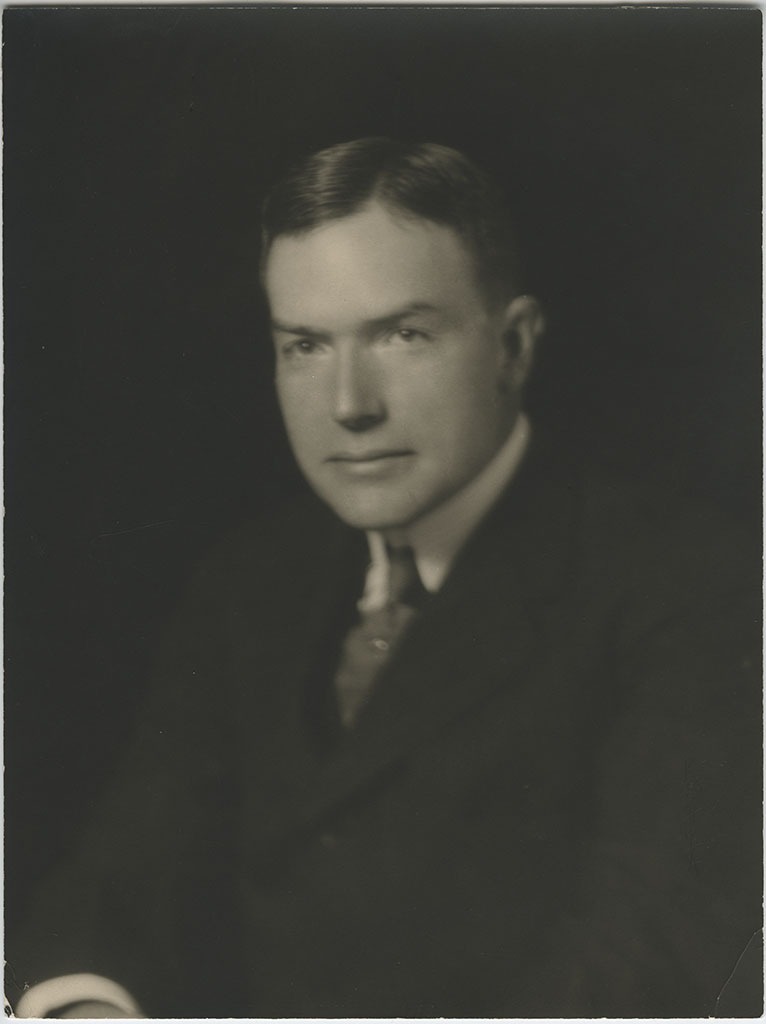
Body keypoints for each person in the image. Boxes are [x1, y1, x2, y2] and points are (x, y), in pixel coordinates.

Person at [7, 138, 761, 1017]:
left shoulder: (690, 583)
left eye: (403, 335)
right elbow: (119, 882)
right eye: (305, 346)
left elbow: (644, 964)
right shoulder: (251, 582)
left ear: (513, 347)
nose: (349, 404)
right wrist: (85, 1008)